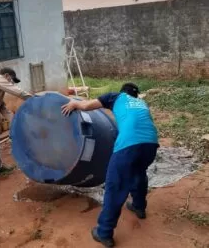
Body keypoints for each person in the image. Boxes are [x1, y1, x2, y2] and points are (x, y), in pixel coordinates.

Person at [61, 83, 159, 247]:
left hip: (129, 145)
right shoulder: (142, 104)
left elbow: (87, 105)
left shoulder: (116, 97)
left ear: (122, 92)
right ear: (136, 96)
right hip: (151, 144)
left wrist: (74, 103)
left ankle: (104, 232)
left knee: (115, 186)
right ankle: (139, 207)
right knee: (139, 173)